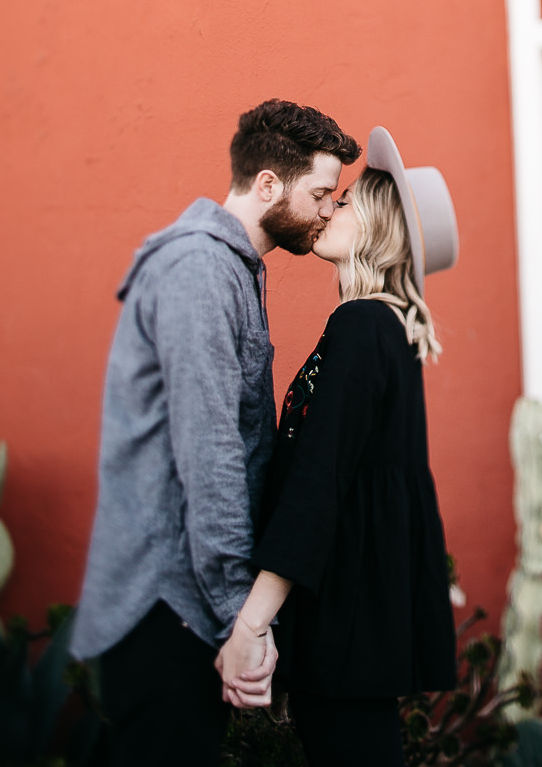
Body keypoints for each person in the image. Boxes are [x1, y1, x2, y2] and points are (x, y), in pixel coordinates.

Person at [70, 99, 361, 767]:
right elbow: (212, 456)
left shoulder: (232, 269)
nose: (325, 211)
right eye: (319, 193)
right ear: (267, 185)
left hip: (183, 604)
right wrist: (242, 613)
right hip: (165, 607)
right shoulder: (201, 271)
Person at [217, 126, 460, 767]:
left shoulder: (361, 327)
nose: (329, 209)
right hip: (364, 626)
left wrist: (252, 624)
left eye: (346, 201)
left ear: (379, 226)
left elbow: (315, 484)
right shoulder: (390, 331)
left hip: (345, 628)